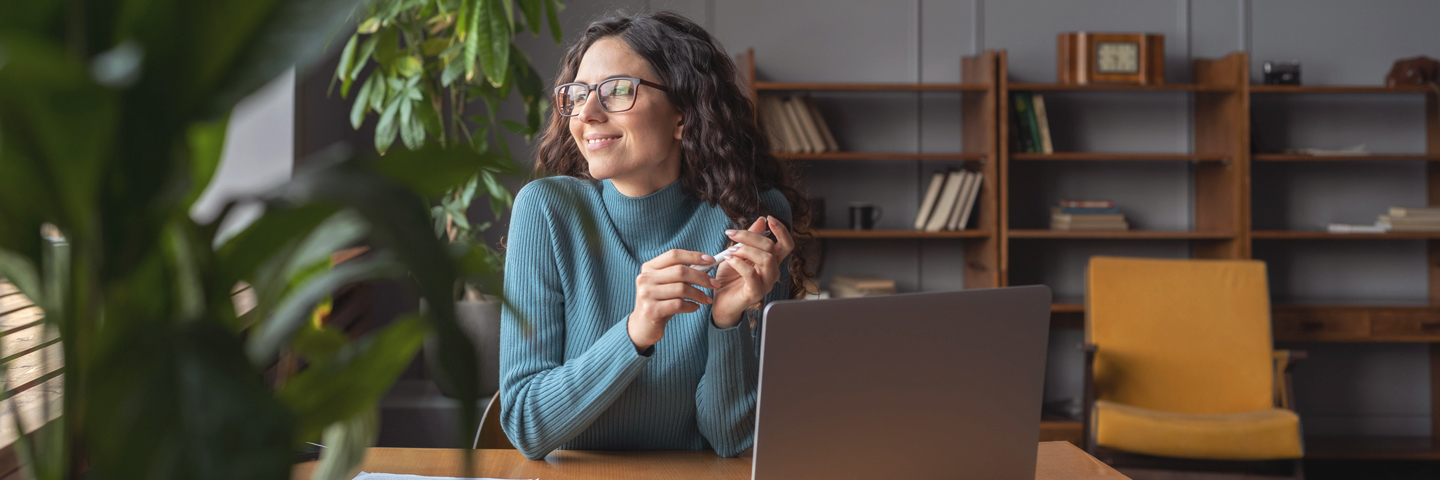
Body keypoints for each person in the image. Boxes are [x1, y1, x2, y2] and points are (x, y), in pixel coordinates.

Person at [498, 11, 814, 460]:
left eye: (618, 91)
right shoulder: (546, 211)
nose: (587, 113)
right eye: (578, 94)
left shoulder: (752, 219)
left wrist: (726, 321)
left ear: (683, 114)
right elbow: (526, 425)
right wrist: (636, 331)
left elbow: (734, 439)